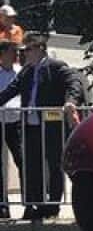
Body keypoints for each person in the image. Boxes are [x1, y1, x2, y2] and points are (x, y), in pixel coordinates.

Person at [0, 34, 84, 220]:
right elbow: (9, 92)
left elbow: (74, 83)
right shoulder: (26, 72)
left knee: (54, 165)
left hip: (52, 126)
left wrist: (70, 102)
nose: (23, 54)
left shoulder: (56, 66)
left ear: (39, 48)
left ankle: (53, 205)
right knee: (32, 167)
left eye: (27, 49)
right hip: (30, 126)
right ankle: (33, 205)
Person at [0, 41, 22, 219]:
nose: (16, 54)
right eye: (13, 51)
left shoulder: (21, 71)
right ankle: (2, 205)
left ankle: (30, 204)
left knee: (22, 161)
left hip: (16, 121)